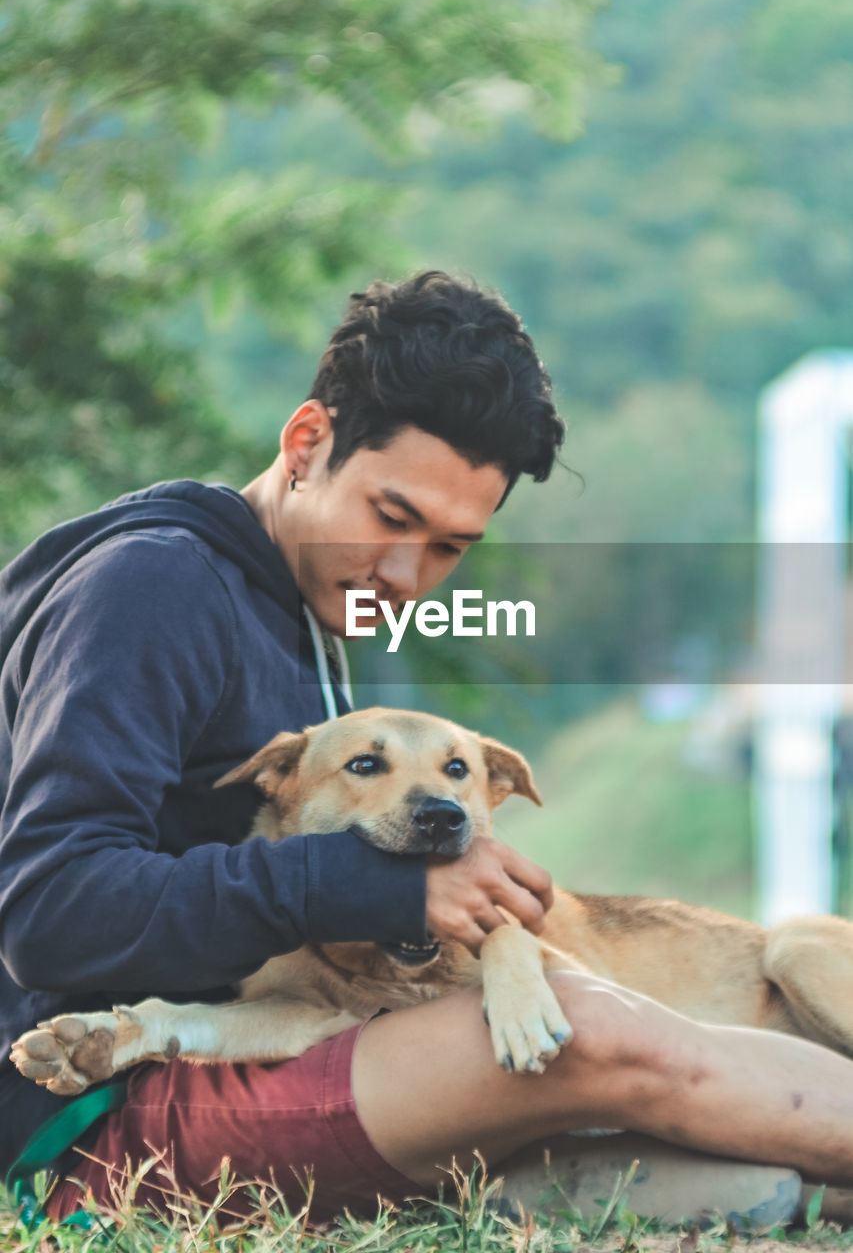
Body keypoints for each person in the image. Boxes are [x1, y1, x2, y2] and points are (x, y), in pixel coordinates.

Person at [1, 271, 852, 1227]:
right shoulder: (153, 589)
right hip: (97, 1108)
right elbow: (47, 914)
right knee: (594, 1031)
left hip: (301, 1041)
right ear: (306, 442)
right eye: (390, 516)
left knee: (700, 1159)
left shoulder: (301, 614)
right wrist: (391, 888)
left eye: (450, 547)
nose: (405, 576)